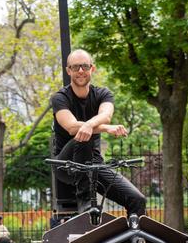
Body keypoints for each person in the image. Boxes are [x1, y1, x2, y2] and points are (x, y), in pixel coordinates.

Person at [50, 49, 146, 216]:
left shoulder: (103, 94)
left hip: (95, 165)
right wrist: (103, 128)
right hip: (67, 165)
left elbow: (106, 115)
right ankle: (86, 200)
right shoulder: (60, 98)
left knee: (137, 199)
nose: (81, 71)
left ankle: (136, 239)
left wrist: (91, 124)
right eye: (75, 67)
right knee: (83, 135)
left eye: (85, 66)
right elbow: (72, 127)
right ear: (68, 70)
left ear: (92, 69)